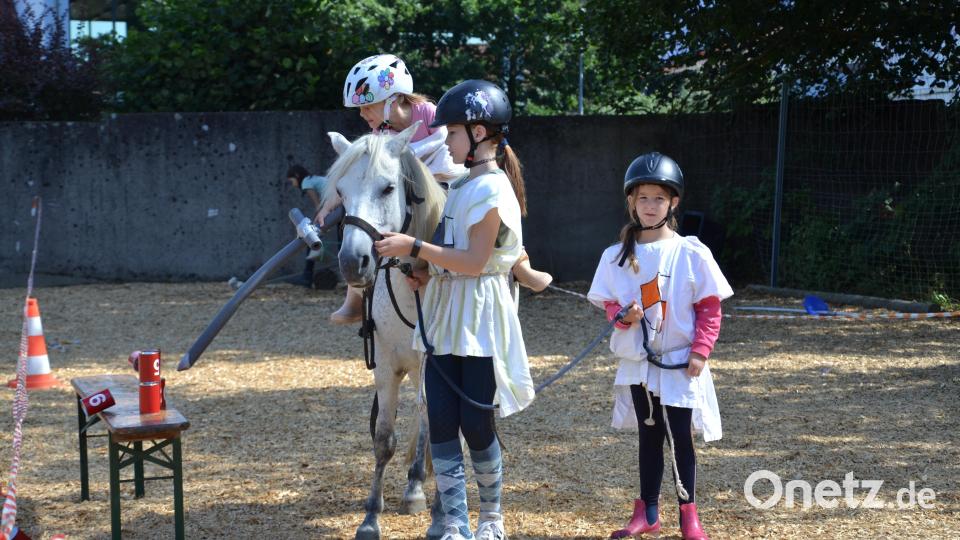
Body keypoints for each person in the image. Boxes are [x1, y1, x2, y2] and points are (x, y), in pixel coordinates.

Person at [374, 80, 534, 540]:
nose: (446, 141)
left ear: (480, 132)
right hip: (445, 313)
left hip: (479, 318)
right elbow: (452, 258)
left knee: (475, 424)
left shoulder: (493, 192)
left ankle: (491, 519)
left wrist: (415, 246)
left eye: (453, 133)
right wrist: (427, 272)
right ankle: (454, 522)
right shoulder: (464, 186)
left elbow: (476, 262)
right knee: (442, 420)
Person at [322, 54, 551, 324]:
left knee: (476, 218)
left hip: (447, 177)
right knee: (363, 228)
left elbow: (445, 147)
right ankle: (356, 296)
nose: (362, 114)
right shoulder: (379, 135)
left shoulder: (428, 113)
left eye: (368, 106)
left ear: (394, 100)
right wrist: (329, 204)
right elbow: (367, 177)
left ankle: (519, 263)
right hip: (413, 187)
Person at [586, 152, 732, 540]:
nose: (650, 206)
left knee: (679, 437)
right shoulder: (616, 256)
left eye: (659, 199)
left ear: (674, 203)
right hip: (639, 363)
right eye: (643, 198)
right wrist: (623, 315)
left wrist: (701, 350)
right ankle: (647, 512)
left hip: (680, 363)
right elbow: (610, 305)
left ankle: (689, 515)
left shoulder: (690, 252)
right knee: (649, 435)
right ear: (631, 202)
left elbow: (710, 307)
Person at [286, 164, 326, 287]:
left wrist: (314, 223)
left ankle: (307, 277)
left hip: (337, 205)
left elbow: (318, 205)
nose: (293, 184)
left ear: (297, 176)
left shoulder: (306, 183)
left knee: (310, 236)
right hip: (341, 205)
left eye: (292, 181)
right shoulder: (314, 179)